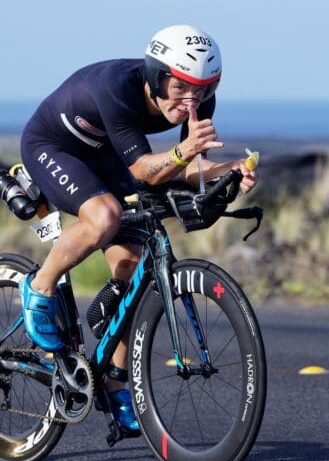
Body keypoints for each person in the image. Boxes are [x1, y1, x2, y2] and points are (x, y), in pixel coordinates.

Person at [18, 24, 257, 435]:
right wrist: (184, 152)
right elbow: (145, 169)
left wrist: (228, 172)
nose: (191, 101)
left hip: (107, 152)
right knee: (105, 217)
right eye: (181, 88)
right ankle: (39, 288)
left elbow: (186, 171)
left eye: (203, 90)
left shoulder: (199, 100)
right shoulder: (119, 88)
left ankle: (113, 381)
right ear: (155, 75)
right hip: (54, 146)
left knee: (131, 261)